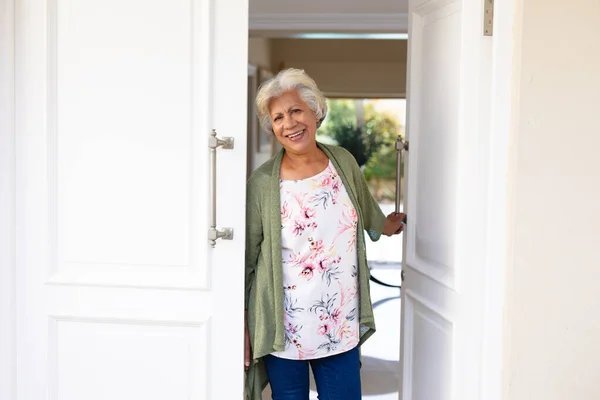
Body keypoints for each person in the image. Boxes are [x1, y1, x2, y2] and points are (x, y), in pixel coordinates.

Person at [245, 68, 405, 400]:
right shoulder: (262, 184)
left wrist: (387, 225)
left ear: (315, 112)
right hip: (284, 325)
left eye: (296, 111)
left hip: (340, 320)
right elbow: (246, 259)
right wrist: (243, 324)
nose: (289, 123)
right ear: (272, 128)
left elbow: (364, 206)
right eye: (278, 118)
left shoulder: (342, 162)